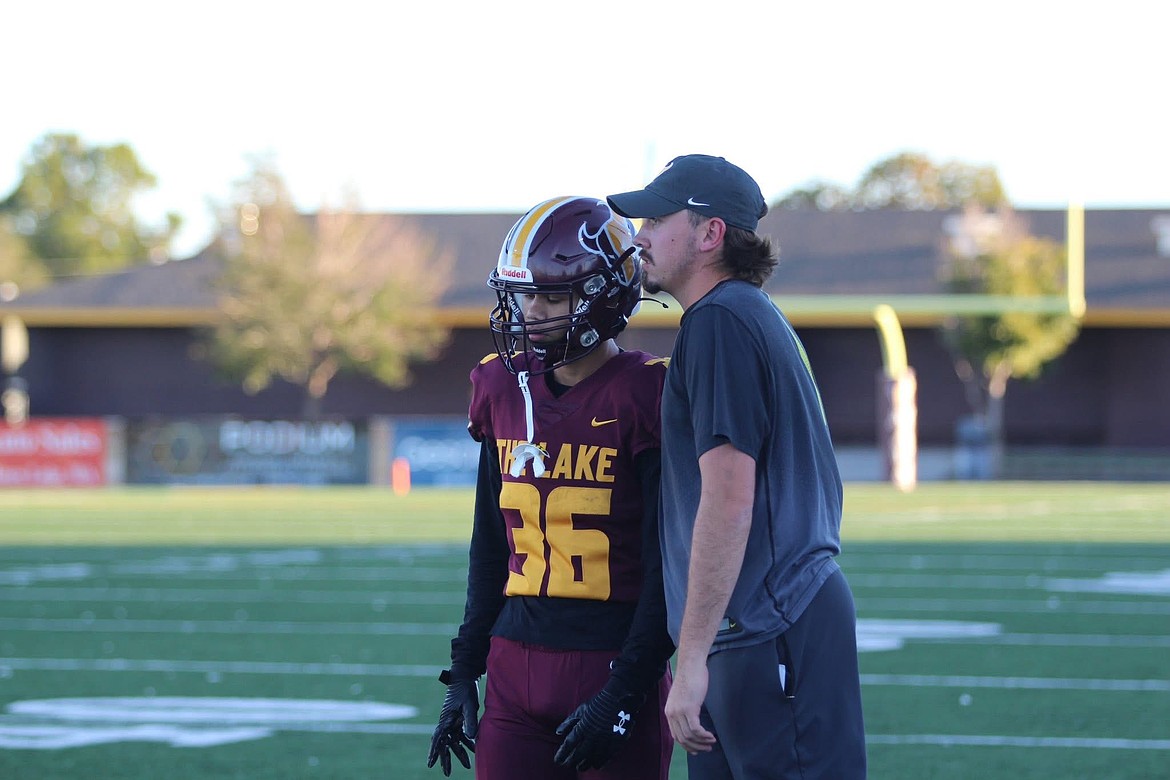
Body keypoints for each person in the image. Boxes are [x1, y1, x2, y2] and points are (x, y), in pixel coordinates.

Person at [605, 155, 867, 779]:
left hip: (766, 624)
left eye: (657, 219)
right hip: (762, 623)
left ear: (710, 233)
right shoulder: (738, 314)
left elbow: (727, 499)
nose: (639, 235)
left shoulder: (720, 322)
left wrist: (691, 657)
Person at [427, 196, 676, 779]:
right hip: (513, 666)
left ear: (603, 296)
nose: (532, 312)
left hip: (612, 663)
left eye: (552, 296)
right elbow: (491, 544)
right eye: (524, 295)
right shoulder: (501, 385)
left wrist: (627, 689)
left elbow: (669, 563)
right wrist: (464, 671)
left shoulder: (647, 392)